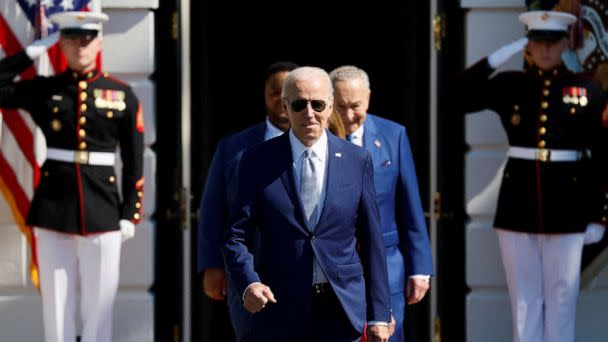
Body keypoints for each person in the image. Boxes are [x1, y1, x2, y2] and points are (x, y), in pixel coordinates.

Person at [457, 9, 608, 342]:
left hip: (569, 207)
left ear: (566, 42)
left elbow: (602, 156)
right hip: (518, 203)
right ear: (528, 44)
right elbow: (459, 95)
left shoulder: (587, 90)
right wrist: (498, 57)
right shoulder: (510, 85)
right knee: (524, 300)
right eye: (537, 42)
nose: (544, 50)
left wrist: (600, 215)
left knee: (562, 298)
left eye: (552, 43)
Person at [0, 11, 144, 342]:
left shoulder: (121, 94)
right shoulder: (44, 90)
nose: (80, 45)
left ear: (99, 42)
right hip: (54, 206)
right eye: (70, 38)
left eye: (87, 38)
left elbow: (134, 158)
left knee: (100, 309)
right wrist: (32, 52)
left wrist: (129, 212)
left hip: (104, 207)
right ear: (60, 44)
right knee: (56, 306)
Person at [223, 66, 391, 341]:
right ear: (286, 106)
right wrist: (249, 282)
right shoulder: (257, 160)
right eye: (299, 104)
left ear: (330, 106)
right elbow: (235, 235)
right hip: (280, 307)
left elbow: (372, 241)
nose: (309, 113)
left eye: (317, 104)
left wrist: (379, 314)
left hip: (341, 306)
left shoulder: (357, 160)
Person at [329, 65, 434, 341]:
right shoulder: (315, 139)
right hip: (334, 266)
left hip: (387, 266)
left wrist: (420, 267)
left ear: (369, 98)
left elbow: (409, 203)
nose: (348, 115)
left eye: (356, 105)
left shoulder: (393, 134)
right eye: (340, 105)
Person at [198, 61, 298, 340]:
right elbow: (214, 208)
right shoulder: (233, 147)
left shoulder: (325, 146)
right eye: (274, 92)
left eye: (288, 92)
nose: (281, 100)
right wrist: (212, 265)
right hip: (248, 271)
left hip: (305, 272)